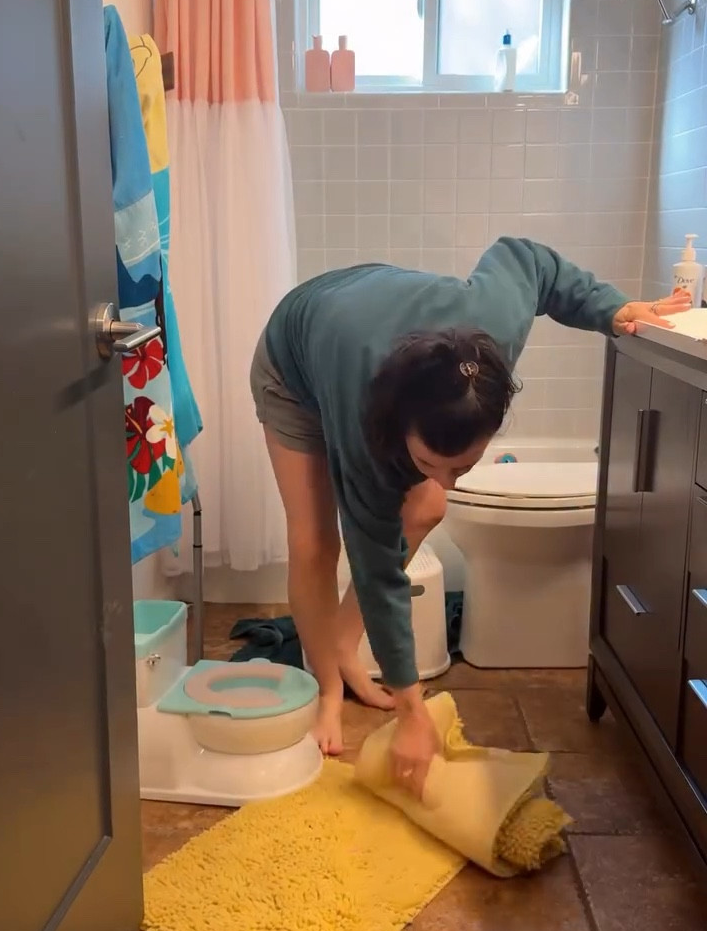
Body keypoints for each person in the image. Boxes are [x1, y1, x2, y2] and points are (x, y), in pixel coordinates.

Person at [250, 237, 689, 797]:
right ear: (395, 430)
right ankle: (328, 688)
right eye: (431, 461)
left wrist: (611, 309)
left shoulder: (492, 336)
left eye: (464, 465)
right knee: (315, 541)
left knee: (426, 506)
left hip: (378, 320)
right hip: (298, 360)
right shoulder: (363, 423)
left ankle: (340, 644)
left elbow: (528, 258)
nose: (450, 480)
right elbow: (377, 564)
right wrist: (413, 712)